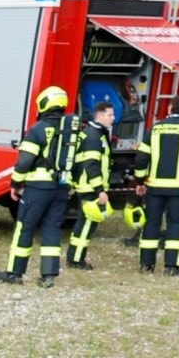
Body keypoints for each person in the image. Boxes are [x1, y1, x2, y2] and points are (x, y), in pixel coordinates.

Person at [0, 86, 79, 287]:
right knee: (52, 228)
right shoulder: (72, 130)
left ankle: (14, 273)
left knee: (25, 227)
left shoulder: (38, 129)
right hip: (61, 187)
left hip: (37, 187)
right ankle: (49, 275)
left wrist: (16, 183)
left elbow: (24, 161)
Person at [137, 95, 179, 275]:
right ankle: (171, 267)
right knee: (176, 224)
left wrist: (140, 181)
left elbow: (142, 157)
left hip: (155, 186)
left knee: (152, 223)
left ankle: (146, 264)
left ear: (170, 108)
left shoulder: (156, 127)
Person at [66, 100, 117, 268]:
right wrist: (100, 189)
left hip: (86, 185)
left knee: (85, 223)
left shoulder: (92, 133)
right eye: (110, 115)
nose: (113, 118)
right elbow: (91, 164)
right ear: (100, 115)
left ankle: (74, 257)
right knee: (87, 223)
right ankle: (76, 260)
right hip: (90, 187)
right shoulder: (94, 136)